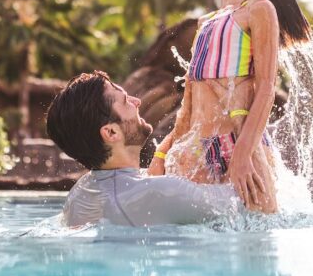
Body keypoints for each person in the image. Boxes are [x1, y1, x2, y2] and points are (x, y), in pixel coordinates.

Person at [148, 0, 313, 213]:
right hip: (196, 148)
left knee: (258, 241)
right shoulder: (206, 22)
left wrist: (242, 154)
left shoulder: (260, 10)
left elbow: (265, 88)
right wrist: (164, 149)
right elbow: (190, 97)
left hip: (239, 144)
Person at [46, 71, 241, 227]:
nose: (137, 101)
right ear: (111, 133)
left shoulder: (79, 194)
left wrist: (189, 106)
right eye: (125, 101)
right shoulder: (161, 193)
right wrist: (240, 112)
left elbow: (145, 183)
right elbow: (250, 204)